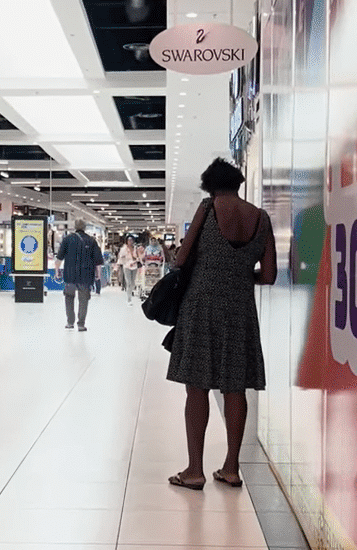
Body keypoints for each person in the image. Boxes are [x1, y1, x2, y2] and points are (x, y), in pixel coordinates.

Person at [166, 158, 276, 491]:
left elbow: (181, 258)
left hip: (201, 306)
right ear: (238, 184)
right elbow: (268, 275)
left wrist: (207, 268)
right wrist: (238, 275)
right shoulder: (261, 218)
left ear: (211, 186)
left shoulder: (208, 208)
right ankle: (231, 468)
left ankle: (194, 470)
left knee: (197, 386)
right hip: (240, 309)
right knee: (235, 386)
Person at [54, 219, 103, 331]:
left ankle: (70, 322)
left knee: (69, 298)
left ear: (75, 227)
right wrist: (98, 274)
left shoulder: (67, 239)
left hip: (70, 275)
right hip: (86, 276)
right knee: (84, 300)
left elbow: (59, 258)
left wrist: (57, 271)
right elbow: (98, 261)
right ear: (85, 227)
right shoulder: (91, 241)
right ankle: (81, 324)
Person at [117, 236, 142, 305]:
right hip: (126, 266)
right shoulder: (123, 249)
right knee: (128, 282)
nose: (130, 241)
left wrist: (136, 259)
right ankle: (129, 299)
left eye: (131, 240)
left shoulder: (135, 248)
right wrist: (124, 261)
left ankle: (130, 293)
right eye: (129, 240)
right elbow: (120, 257)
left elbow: (139, 257)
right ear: (126, 241)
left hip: (134, 266)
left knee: (133, 282)